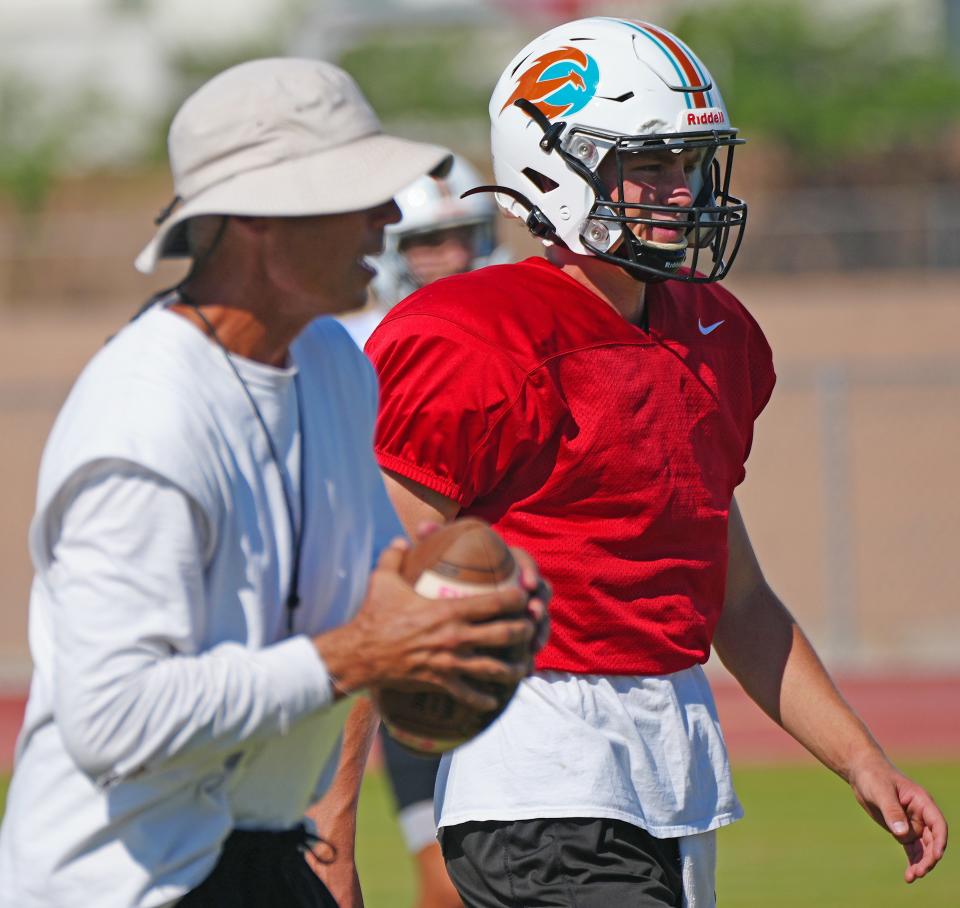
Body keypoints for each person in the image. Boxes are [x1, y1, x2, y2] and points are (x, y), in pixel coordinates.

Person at [363, 17, 948, 908]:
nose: (683, 193)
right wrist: (330, 825)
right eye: (652, 165)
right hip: (534, 768)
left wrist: (859, 756)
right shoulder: (475, 334)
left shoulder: (714, 333)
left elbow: (735, 598)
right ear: (554, 165)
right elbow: (378, 593)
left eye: (690, 163)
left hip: (673, 764)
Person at [0, 58, 540, 908]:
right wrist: (362, 652)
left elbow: (374, 587)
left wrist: (463, 598)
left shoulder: (332, 362)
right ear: (257, 221)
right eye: (356, 191)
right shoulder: (145, 412)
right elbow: (113, 719)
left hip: (259, 853)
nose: (390, 215)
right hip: (118, 883)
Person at [341, 153, 511, 908]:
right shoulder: (354, 344)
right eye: (422, 243)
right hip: (404, 624)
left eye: (459, 235)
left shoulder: (520, 326)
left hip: (508, 624)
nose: (445, 256)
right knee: (442, 877)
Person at [340, 153, 510, 351]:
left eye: (468, 236)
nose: (458, 258)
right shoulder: (347, 351)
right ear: (388, 250)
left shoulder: (517, 333)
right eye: (431, 241)